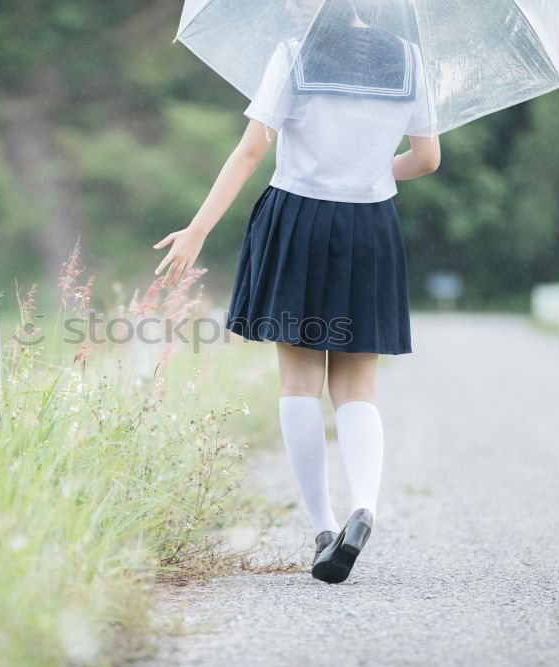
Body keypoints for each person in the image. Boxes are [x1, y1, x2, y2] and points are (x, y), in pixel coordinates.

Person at [153, 0, 440, 584]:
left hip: (299, 223)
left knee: (300, 382)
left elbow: (252, 151)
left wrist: (197, 230)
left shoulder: (294, 56)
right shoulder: (410, 59)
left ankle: (322, 526)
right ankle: (366, 507)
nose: (289, 3)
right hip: (371, 227)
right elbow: (428, 158)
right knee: (358, 384)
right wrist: (373, 169)